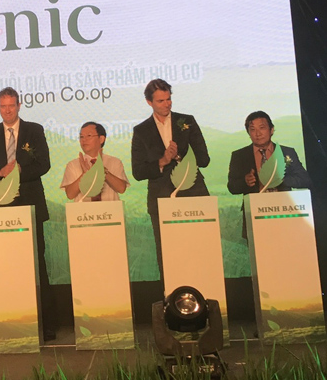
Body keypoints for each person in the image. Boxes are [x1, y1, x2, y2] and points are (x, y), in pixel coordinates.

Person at [0, 87, 57, 341]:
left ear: (19, 105)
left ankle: (45, 324)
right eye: (3, 106)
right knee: (4, 265)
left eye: (11, 105)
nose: (7, 110)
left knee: (37, 264)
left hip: (30, 205)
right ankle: (8, 322)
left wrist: (20, 170)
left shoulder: (34, 130)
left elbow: (44, 164)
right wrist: (0, 172)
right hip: (1, 207)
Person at [131, 79, 210, 278]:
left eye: (168, 99)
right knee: (168, 254)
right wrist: (163, 160)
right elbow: (138, 172)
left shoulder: (186, 121)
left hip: (194, 193)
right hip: (162, 198)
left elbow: (204, 159)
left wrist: (180, 157)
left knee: (202, 248)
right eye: (161, 101)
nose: (167, 104)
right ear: (149, 102)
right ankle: (171, 293)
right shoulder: (141, 131)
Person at [227, 110, 311, 239]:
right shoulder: (239, 155)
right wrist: (245, 181)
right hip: (255, 216)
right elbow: (232, 187)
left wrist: (280, 179)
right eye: (252, 130)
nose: (258, 133)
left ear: (271, 130)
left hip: (285, 213)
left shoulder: (286, 152)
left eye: (262, 128)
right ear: (248, 133)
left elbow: (305, 179)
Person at [61, 122, 129, 201]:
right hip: (84, 209)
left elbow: (121, 189)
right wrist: (84, 175)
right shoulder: (73, 164)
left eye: (89, 136)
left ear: (101, 139)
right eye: (81, 137)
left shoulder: (114, 162)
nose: (84, 140)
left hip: (110, 208)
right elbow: (70, 195)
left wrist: (103, 171)